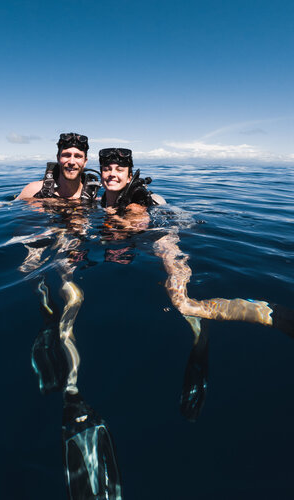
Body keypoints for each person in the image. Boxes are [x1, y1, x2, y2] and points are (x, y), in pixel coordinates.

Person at [99, 147, 294, 421]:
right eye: (107, 169)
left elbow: (139, 223)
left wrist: (111, 224)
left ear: (130, 173)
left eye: (119, 170)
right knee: (178, 303)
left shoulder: (135, 200)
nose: (112, 174)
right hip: (148, 246)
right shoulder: (104, 199)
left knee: (183, 304)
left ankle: (271, 313)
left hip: (163, 243)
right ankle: (201, 331)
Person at [17, 132, 99, 202]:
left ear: (85, 162)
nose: (72, 162)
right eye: (66, 155)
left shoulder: (93, 197)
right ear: (58, 158)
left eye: (78, 156)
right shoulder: (33, 191)